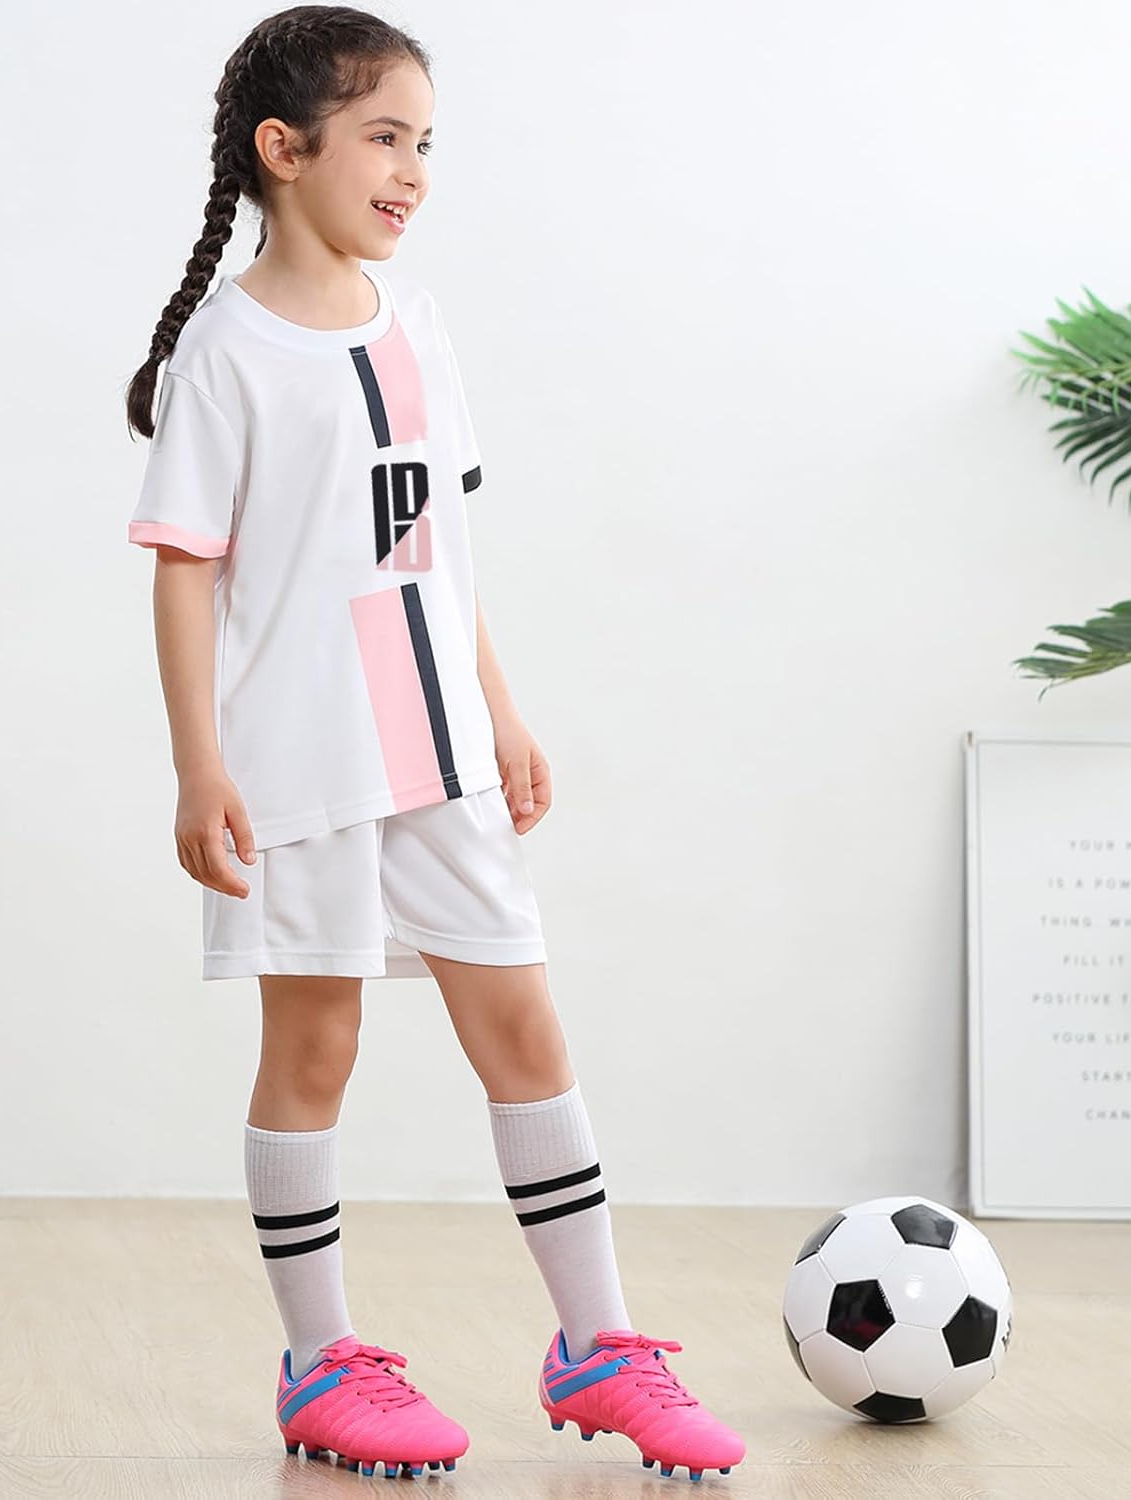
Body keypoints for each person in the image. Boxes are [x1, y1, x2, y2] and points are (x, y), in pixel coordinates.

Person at [123, 5, 744, 1483]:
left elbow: (434, 552)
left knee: (524, 1030)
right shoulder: (227, 351)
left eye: (424, 144)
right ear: (285, 151)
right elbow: (185, 569)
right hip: (301, 761)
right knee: (316, 1045)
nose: (413, 172)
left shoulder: (421, 329)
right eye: (385, 139)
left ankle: (599, 1344)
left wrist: (499, 710)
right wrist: (200, 767)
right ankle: (319, 1362)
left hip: (442, 747)